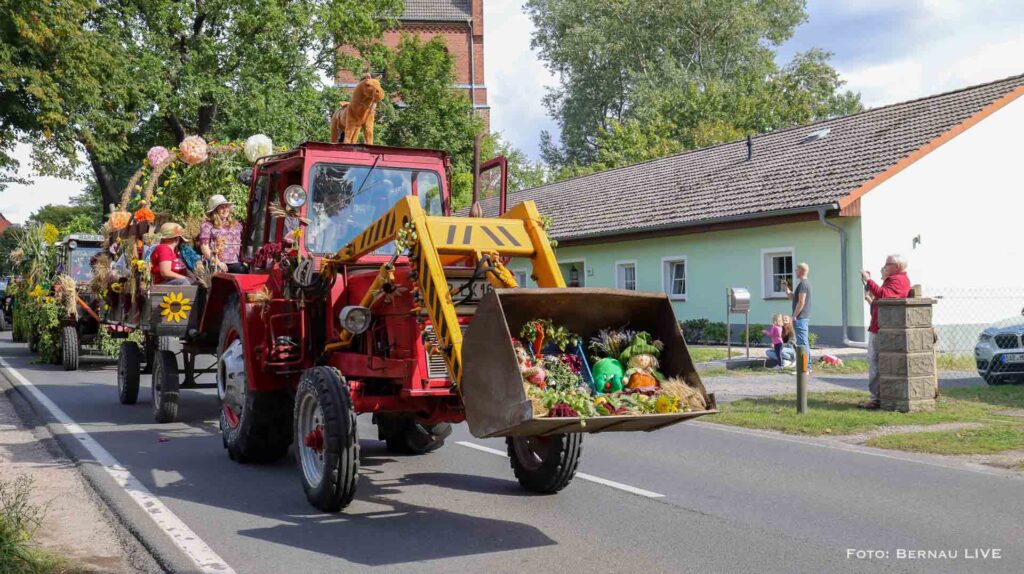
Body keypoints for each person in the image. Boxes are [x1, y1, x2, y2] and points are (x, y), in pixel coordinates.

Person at [859, 254, 912, 409]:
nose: (885, 266)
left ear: (897, 266)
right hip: (880, 325)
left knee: (874, 360)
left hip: (881, 328)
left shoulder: (898, 280)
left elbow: (883, 295)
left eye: (887, 264)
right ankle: (879, 396)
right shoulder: (896, 280)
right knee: (877, 361)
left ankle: (876, 398)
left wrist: (869, 280)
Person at [198, 194, 244, 273]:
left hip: (236, 262)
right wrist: (218, 262)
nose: (225, 209)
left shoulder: (236, 225)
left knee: (244, 269)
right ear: (215, 210)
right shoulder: (207, 225)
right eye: (222, 207)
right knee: (240, 270)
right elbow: (204, 248)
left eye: (226, 206)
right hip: (216, 264)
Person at [785, 262, 812, 370]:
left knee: (802, 343)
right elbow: (793, 298)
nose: (795, 271)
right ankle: (806, 366)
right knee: (803, 342)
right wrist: (786, 288)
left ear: (801, 271)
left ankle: (805, 367)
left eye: (796, 270)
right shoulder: (803, 284)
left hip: (800, 318)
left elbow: (801, 302)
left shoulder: (803, 284)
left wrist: (794, 316)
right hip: (801, 317)